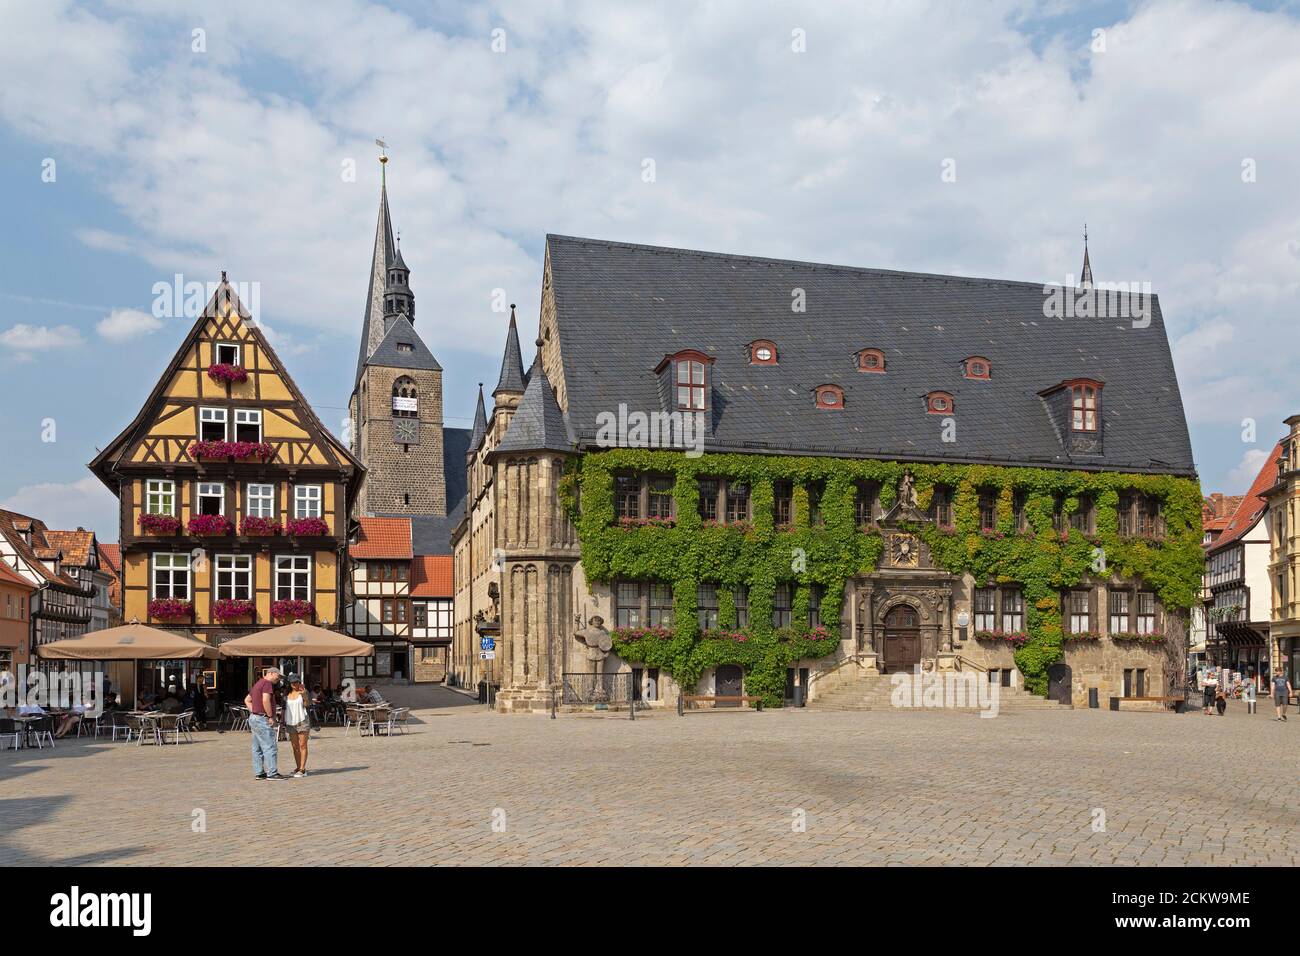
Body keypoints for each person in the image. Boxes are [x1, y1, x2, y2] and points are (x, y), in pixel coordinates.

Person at [245, 666, 284, 780]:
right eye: (278, 676)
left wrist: (254, 711)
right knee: (270, 746)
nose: (278, 679)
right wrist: (269, 716)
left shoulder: (258, 684)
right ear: (271, 673)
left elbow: (247, 700)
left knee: (257, 747)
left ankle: (259, 772)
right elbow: (265, 700)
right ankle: (272, 772)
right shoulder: (267, 684)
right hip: (262, 718)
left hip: (255, 717)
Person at [283, 674, 311, 778]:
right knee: (295, 747)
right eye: (293, 683)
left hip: (302, 721)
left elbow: (307, 705)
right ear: (289, 684)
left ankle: (303, 769)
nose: (295, 684)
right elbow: (283, 708)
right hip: (290, 722)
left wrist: (304, 695)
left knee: (303, 745)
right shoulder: (286, 694)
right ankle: (298, 767)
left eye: (297, 682)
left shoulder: (303, 692)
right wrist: (282, 721)